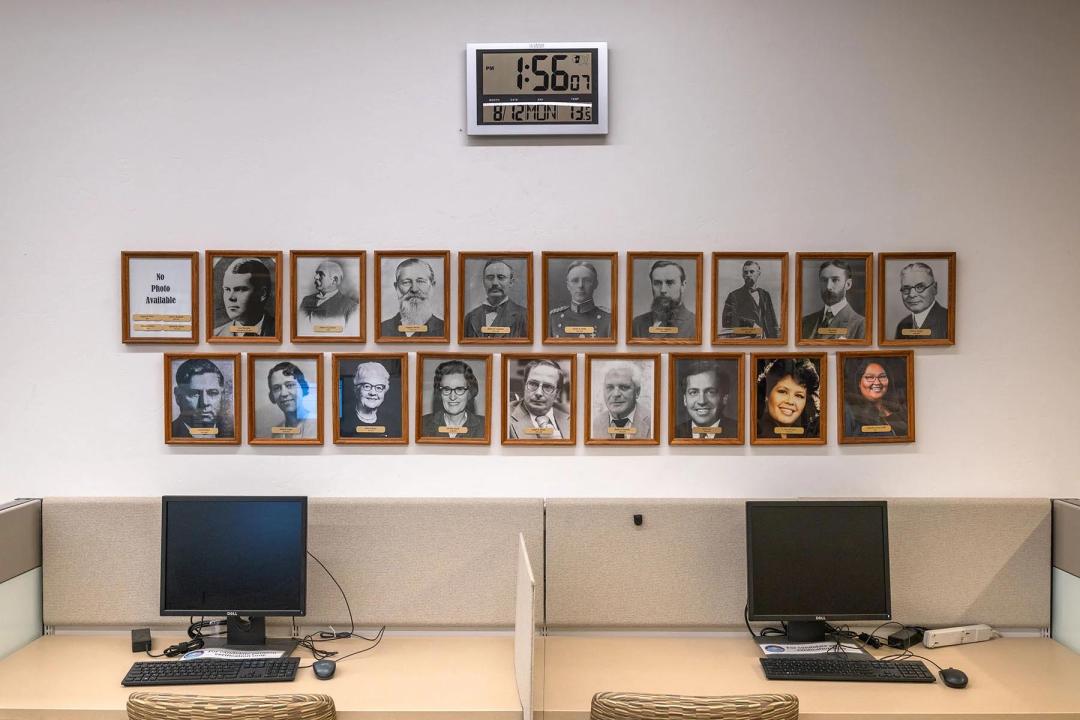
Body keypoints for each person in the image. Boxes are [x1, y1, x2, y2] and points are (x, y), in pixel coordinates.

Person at [380, 258, 446, 338]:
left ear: (432, 286)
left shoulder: (446, 329)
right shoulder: (381, 329)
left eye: (421, 281)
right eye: (406, 282)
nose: (414, 289)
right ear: (396, 287)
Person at [800, 260, 865, 340]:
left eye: (835, 280)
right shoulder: (805, 322)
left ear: (848, 284)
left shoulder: (860, 324)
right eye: (824, 280)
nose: (828, 287)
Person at [756, 358, 820, 440]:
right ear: (767, 394)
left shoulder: (807, 436)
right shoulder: (755, 433)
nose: (790, 401)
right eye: (782, 391)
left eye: (799, 396)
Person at [463, 259, 528, 338]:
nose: (495, 283)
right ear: (483, 281)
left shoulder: (524, 316)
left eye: (501, 277)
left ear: (511, 282)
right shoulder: (470, 317)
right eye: (490, 277)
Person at [507, 360, 571, 440]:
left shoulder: (571, 417)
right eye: (533, 384)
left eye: (548, 386)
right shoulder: (503, 417)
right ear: (524, 385)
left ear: (557, 393)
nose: (538, 393)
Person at [843, 358, 908, 438]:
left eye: (882, 377)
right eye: (869, 377)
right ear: (859, 383)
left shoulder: (901, 410)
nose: (877, 382)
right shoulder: (851, 414)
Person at [420, 359, 486, 438]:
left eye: (459, 389)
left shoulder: (485, 426)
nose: (452, 397)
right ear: (440, 393)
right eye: (446, 389)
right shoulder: (422, 424)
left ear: (469, 392)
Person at [631, 260, 696, 338]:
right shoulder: (637, 324)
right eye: (657, 283)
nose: (663, 290)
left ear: (683, 285)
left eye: (670, 283)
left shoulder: (695, 324)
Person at [171, 358, 233, 439]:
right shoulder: (170, 433)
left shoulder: (233, 432)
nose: (204, 402)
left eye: (213, 393)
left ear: (222, 395)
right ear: (178, 396)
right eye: (194, 394)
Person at [549, 261, 612, 339]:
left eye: (587, 280)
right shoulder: (554, 318)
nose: (580, 285)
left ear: (595, 284)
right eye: (575, 280)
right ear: (568, 285)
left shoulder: (608, 319)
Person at [213, 257, 275, 337]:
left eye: (239, 289)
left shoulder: (282, 331)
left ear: (262, 294)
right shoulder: (216, 335)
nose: (231, 298)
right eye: (227, 289)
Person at [674, 361, 737, 439]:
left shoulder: (739, 431)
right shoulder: (673, 434)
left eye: (710, 392)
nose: (702, 401)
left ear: (724, 398)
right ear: (685, 399)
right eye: (693, 392)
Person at [591, 362, 652, 440]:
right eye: (610, 387)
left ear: (637, 392)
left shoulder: (652, 421)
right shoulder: (596, 423)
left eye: (623, 387)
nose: (616, 394)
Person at [340, 361, 401, 439]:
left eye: (379, 387)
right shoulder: (343, 423)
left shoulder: (392, 422)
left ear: (384, 391)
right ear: (357, 389)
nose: (373, 393)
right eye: (367, 386)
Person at [721, 260, 779, 339]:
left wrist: (775, 342)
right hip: (746, 342)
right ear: (742, 275)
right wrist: (751, 324)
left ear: (758, 274)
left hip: (767, 343)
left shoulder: (765, 295)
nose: (748, 275)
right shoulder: (734, 296)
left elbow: (773, 323)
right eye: (746, 272)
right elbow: (727, 321)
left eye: (752, 272)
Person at [298, 260, 358, 332]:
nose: (316, 277)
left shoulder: (351, 307)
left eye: (320, 274)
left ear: (334, 280)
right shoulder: (306, 300)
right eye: (316, 273)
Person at [894, 262, 948, 339]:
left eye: (920, 287)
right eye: (906, 288)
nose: (912, 295)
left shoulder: (949, 321)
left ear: (934, 288)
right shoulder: (902, 325)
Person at [264, 361, 318, 439]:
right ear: (272, 396)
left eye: (290, 385)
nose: (283, 393)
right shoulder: (275, 433)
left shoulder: (318, 425)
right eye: (276, 388)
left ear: (303, 388)